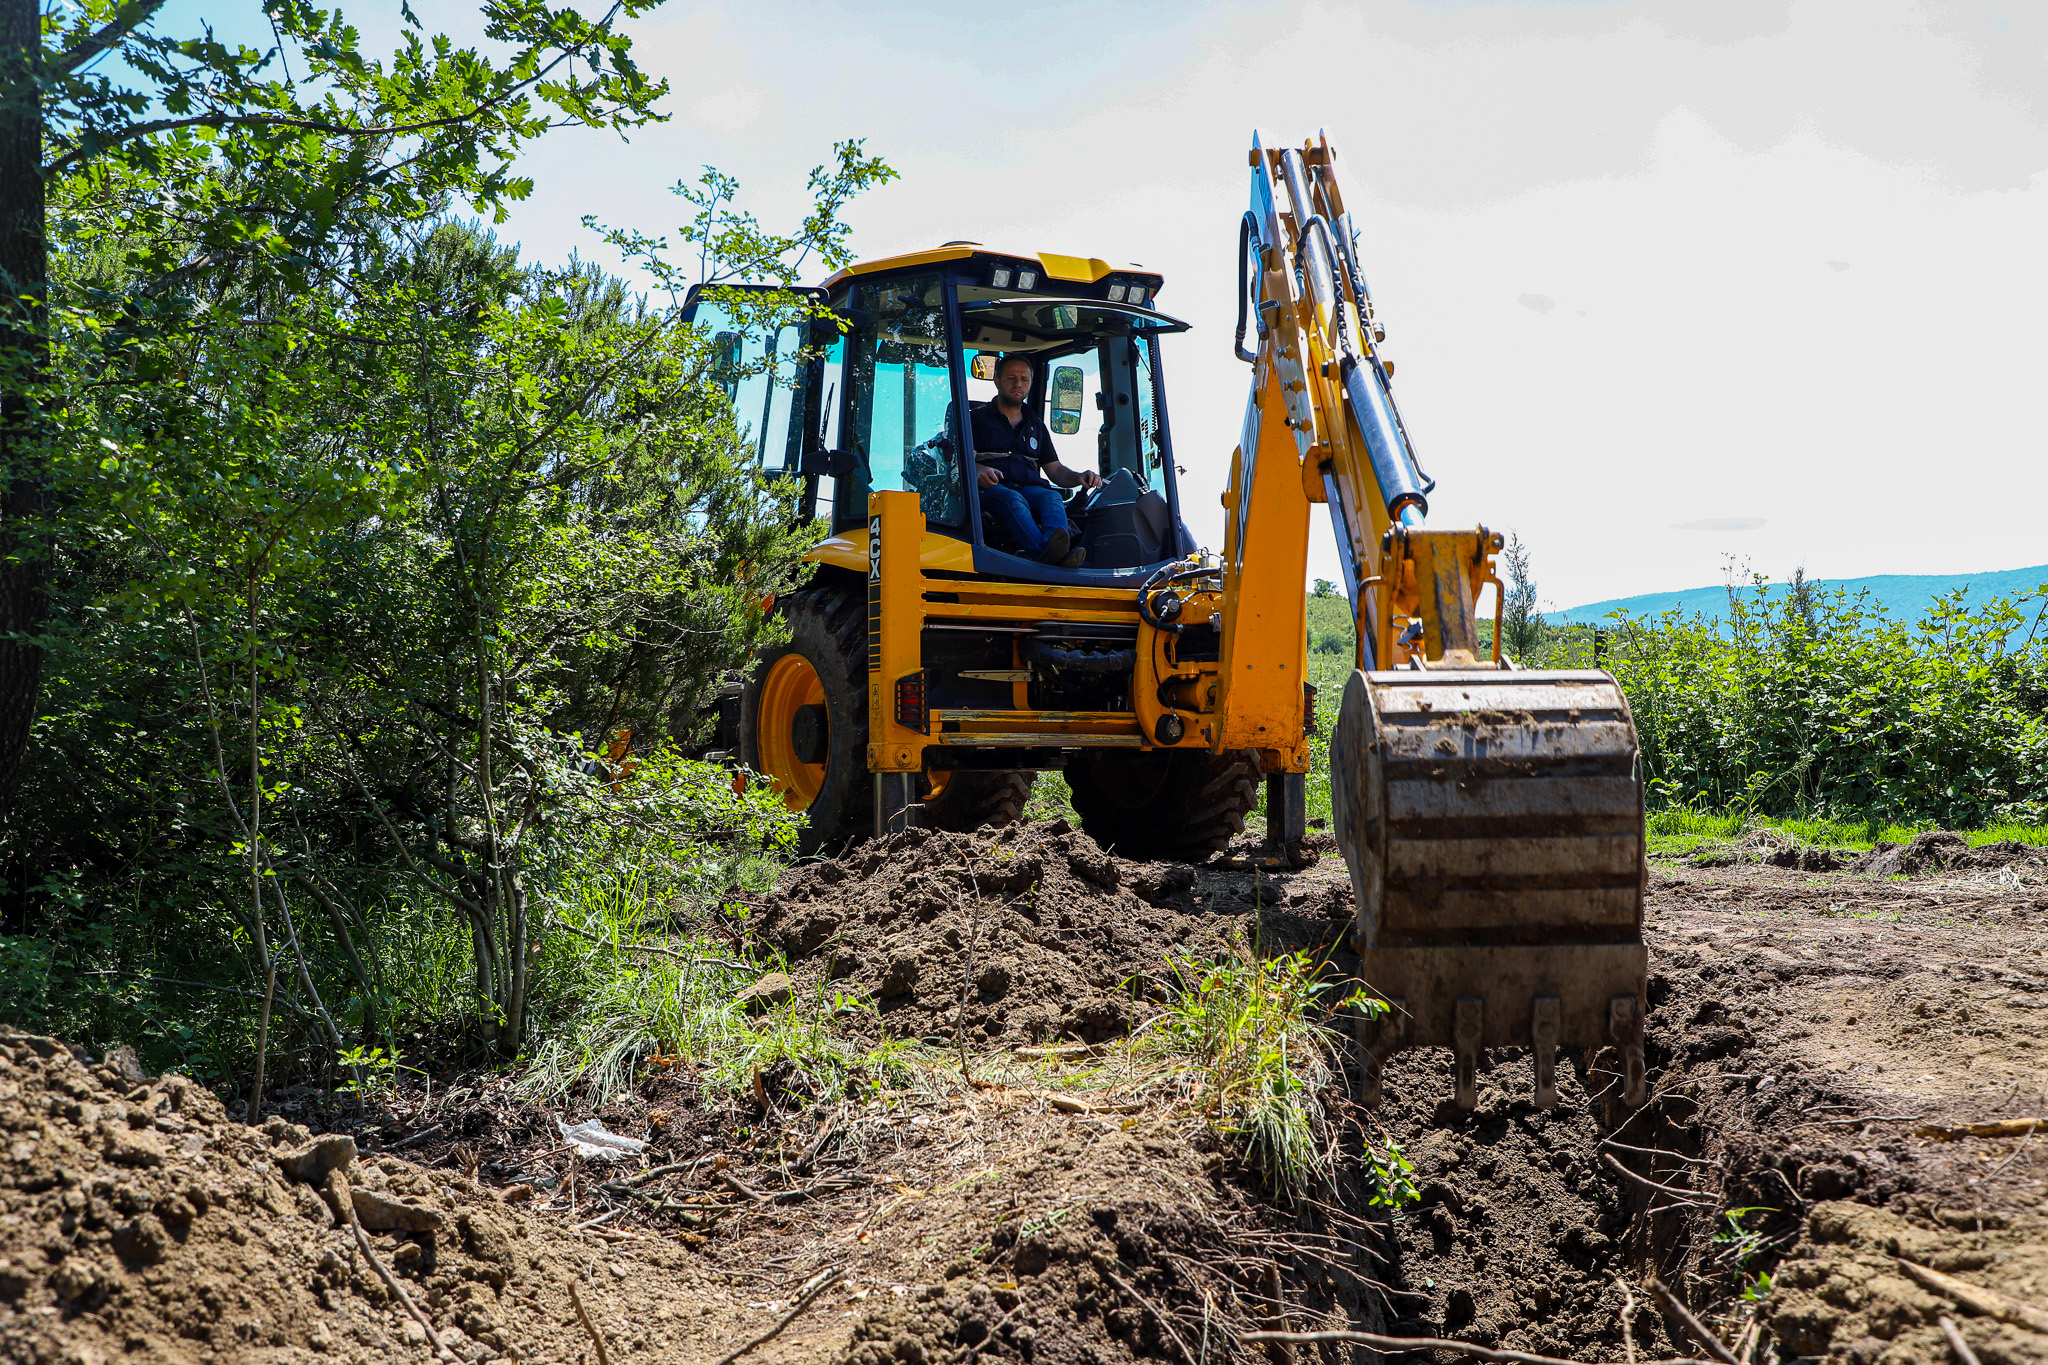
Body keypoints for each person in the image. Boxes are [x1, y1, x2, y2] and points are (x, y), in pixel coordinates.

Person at [971, 354, 1101, 566]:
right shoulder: (976, 418)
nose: (1018, 384)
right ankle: (1046, 555)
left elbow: (1055, 470)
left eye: (1024, 379)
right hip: (991, 491)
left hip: (1029, 488)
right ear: (997, 381)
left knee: (1051, 498)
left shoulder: (1036, 425)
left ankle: (1052, 549)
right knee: (1013, 499)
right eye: (1011, 378)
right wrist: (976, 470)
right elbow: (961, 460)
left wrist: (1079, 477)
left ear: (1030, 383)